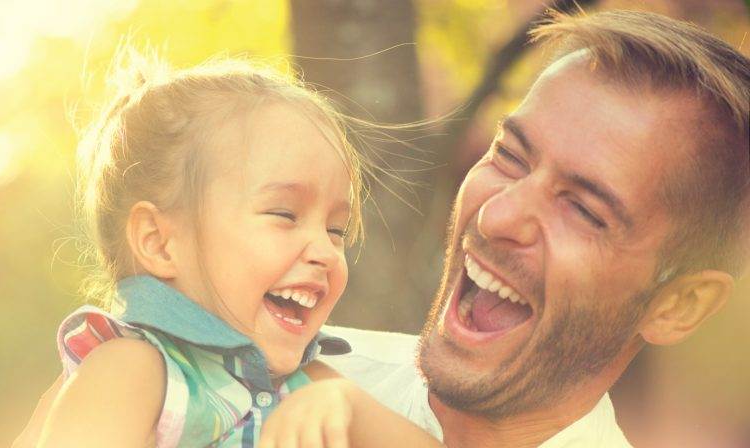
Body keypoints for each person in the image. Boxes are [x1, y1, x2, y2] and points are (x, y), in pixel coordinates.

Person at [260, 9, 749, 448]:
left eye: (583, 211)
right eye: (510, 157)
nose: (496, 217)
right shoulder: (257, 384)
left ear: (678, 306)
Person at [12, 53, 441, 447]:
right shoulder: (135, 370)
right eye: (284, 214)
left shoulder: (312, 386)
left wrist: (351, 409)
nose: (326, 252)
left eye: (336, 229)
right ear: (161, 243)